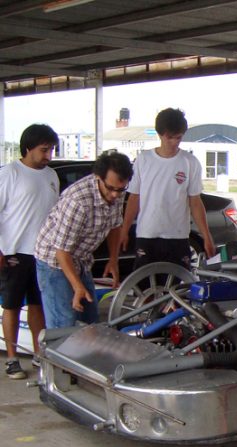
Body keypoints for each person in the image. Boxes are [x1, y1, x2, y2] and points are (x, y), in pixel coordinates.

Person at [35, 151, 132, 329]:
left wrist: (113, 259)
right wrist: (77, 286)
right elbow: (61, 252)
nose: (115, 195)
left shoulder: (117, 192)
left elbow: (115, 226)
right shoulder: (78, 201)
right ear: (98, 178)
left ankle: (86, 355)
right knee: (64, 324)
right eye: (110, 188)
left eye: (120, 189)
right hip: (54, 261)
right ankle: (56, 356)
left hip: (82, 259)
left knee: (90, 321)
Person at [120, 108, 215, 271]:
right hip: (147, 234)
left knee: (178, 287)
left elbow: (195, 201)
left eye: (178, 137)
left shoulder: (190, 162)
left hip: (177, 236)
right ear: (160, 134)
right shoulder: (143, 160)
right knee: (145, 287)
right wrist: (124, 230)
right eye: (169, 137)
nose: (174, 142)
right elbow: (134, 198)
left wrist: (207, 236)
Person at [0, 124, 59, 379]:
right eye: (44, 150)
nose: (48, 155)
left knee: (39, 305)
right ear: (28, 148)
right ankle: (12, 359)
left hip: (44, 253)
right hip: (14, 251)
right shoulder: (9, 173)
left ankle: (39, 354)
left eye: (51, 150)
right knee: (11, 305)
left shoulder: (52, 176)